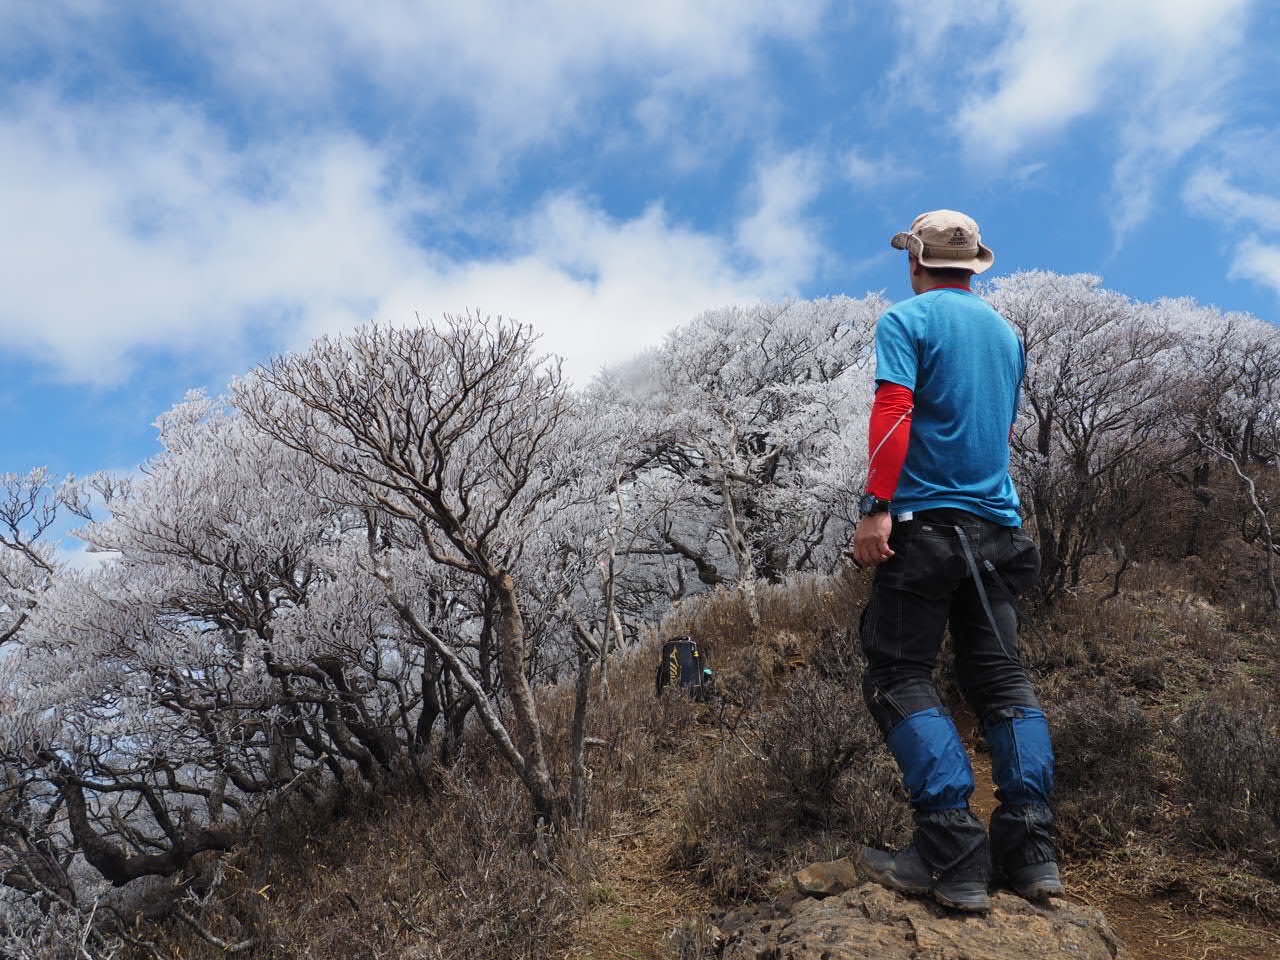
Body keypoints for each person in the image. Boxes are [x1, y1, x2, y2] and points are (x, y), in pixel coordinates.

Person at [850, 210, 1059, 913]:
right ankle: (1032, 853)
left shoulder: (905, 321)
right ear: (974, 266)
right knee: (1003, 681)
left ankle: (950, 850)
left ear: (915, 261)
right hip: (999, 531)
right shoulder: (1006, 334)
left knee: (899, 673)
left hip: (926, 531)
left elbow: (894, 409)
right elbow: (998, 431)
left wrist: (877, 504)